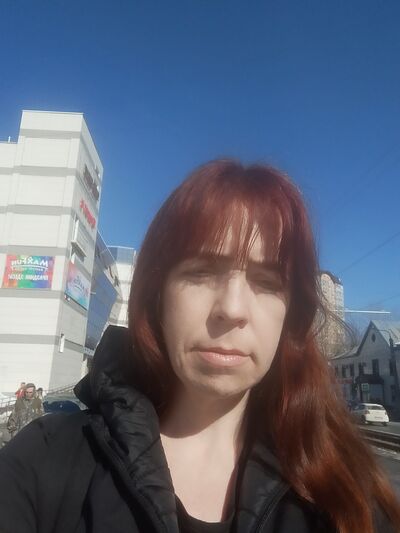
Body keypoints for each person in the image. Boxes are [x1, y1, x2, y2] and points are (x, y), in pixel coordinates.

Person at [0, 160, 399, 533]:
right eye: (202, 272)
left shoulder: (346, 493)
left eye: (266, 282)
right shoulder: (44, 460)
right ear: (158, 295)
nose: (232, 309)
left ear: (290, 315)